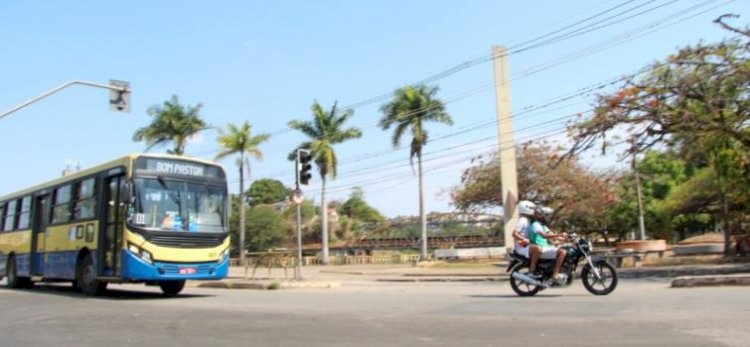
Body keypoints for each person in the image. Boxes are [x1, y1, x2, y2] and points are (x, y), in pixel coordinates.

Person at [528, 206, 568, 283]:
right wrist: (559, 234)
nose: (547, 217)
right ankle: (555, 275)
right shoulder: (536, 224)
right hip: (540, 249)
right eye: (546, 215)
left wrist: (566, 238)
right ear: (540, 215)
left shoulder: (542, 226)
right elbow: (544, 235)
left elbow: (551, 235)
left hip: (545, 248)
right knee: (562, 252)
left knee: (565, 249)